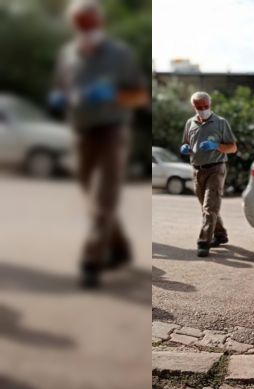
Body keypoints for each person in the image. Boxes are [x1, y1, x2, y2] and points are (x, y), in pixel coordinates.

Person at [50, 0, 148, 287]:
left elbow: (139, 97)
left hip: (112, 131)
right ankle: (119, 248)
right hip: (81, 131)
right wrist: (61, 98)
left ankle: (91, 260)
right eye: (80, 24)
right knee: (88, 191)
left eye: (90, 23)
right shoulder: (68, 54)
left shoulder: (119, 55)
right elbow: (61, 89)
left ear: (100, 23)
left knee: (104, 195)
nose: (85, 29)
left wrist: (111, 95)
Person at [180, 92, 237, 257]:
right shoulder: (190, 123)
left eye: (206, 106)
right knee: (208, 208)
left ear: (210, 105)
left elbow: (233, 147)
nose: (203, 109)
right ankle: (220, 235)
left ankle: (204, 242)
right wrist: (185, 148)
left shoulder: (220, 123)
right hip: (197, 170)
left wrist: (216, 146)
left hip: (216, 169)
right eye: (199, 107)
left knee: (209, 207)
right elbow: (186, 143)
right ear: (194, 107)